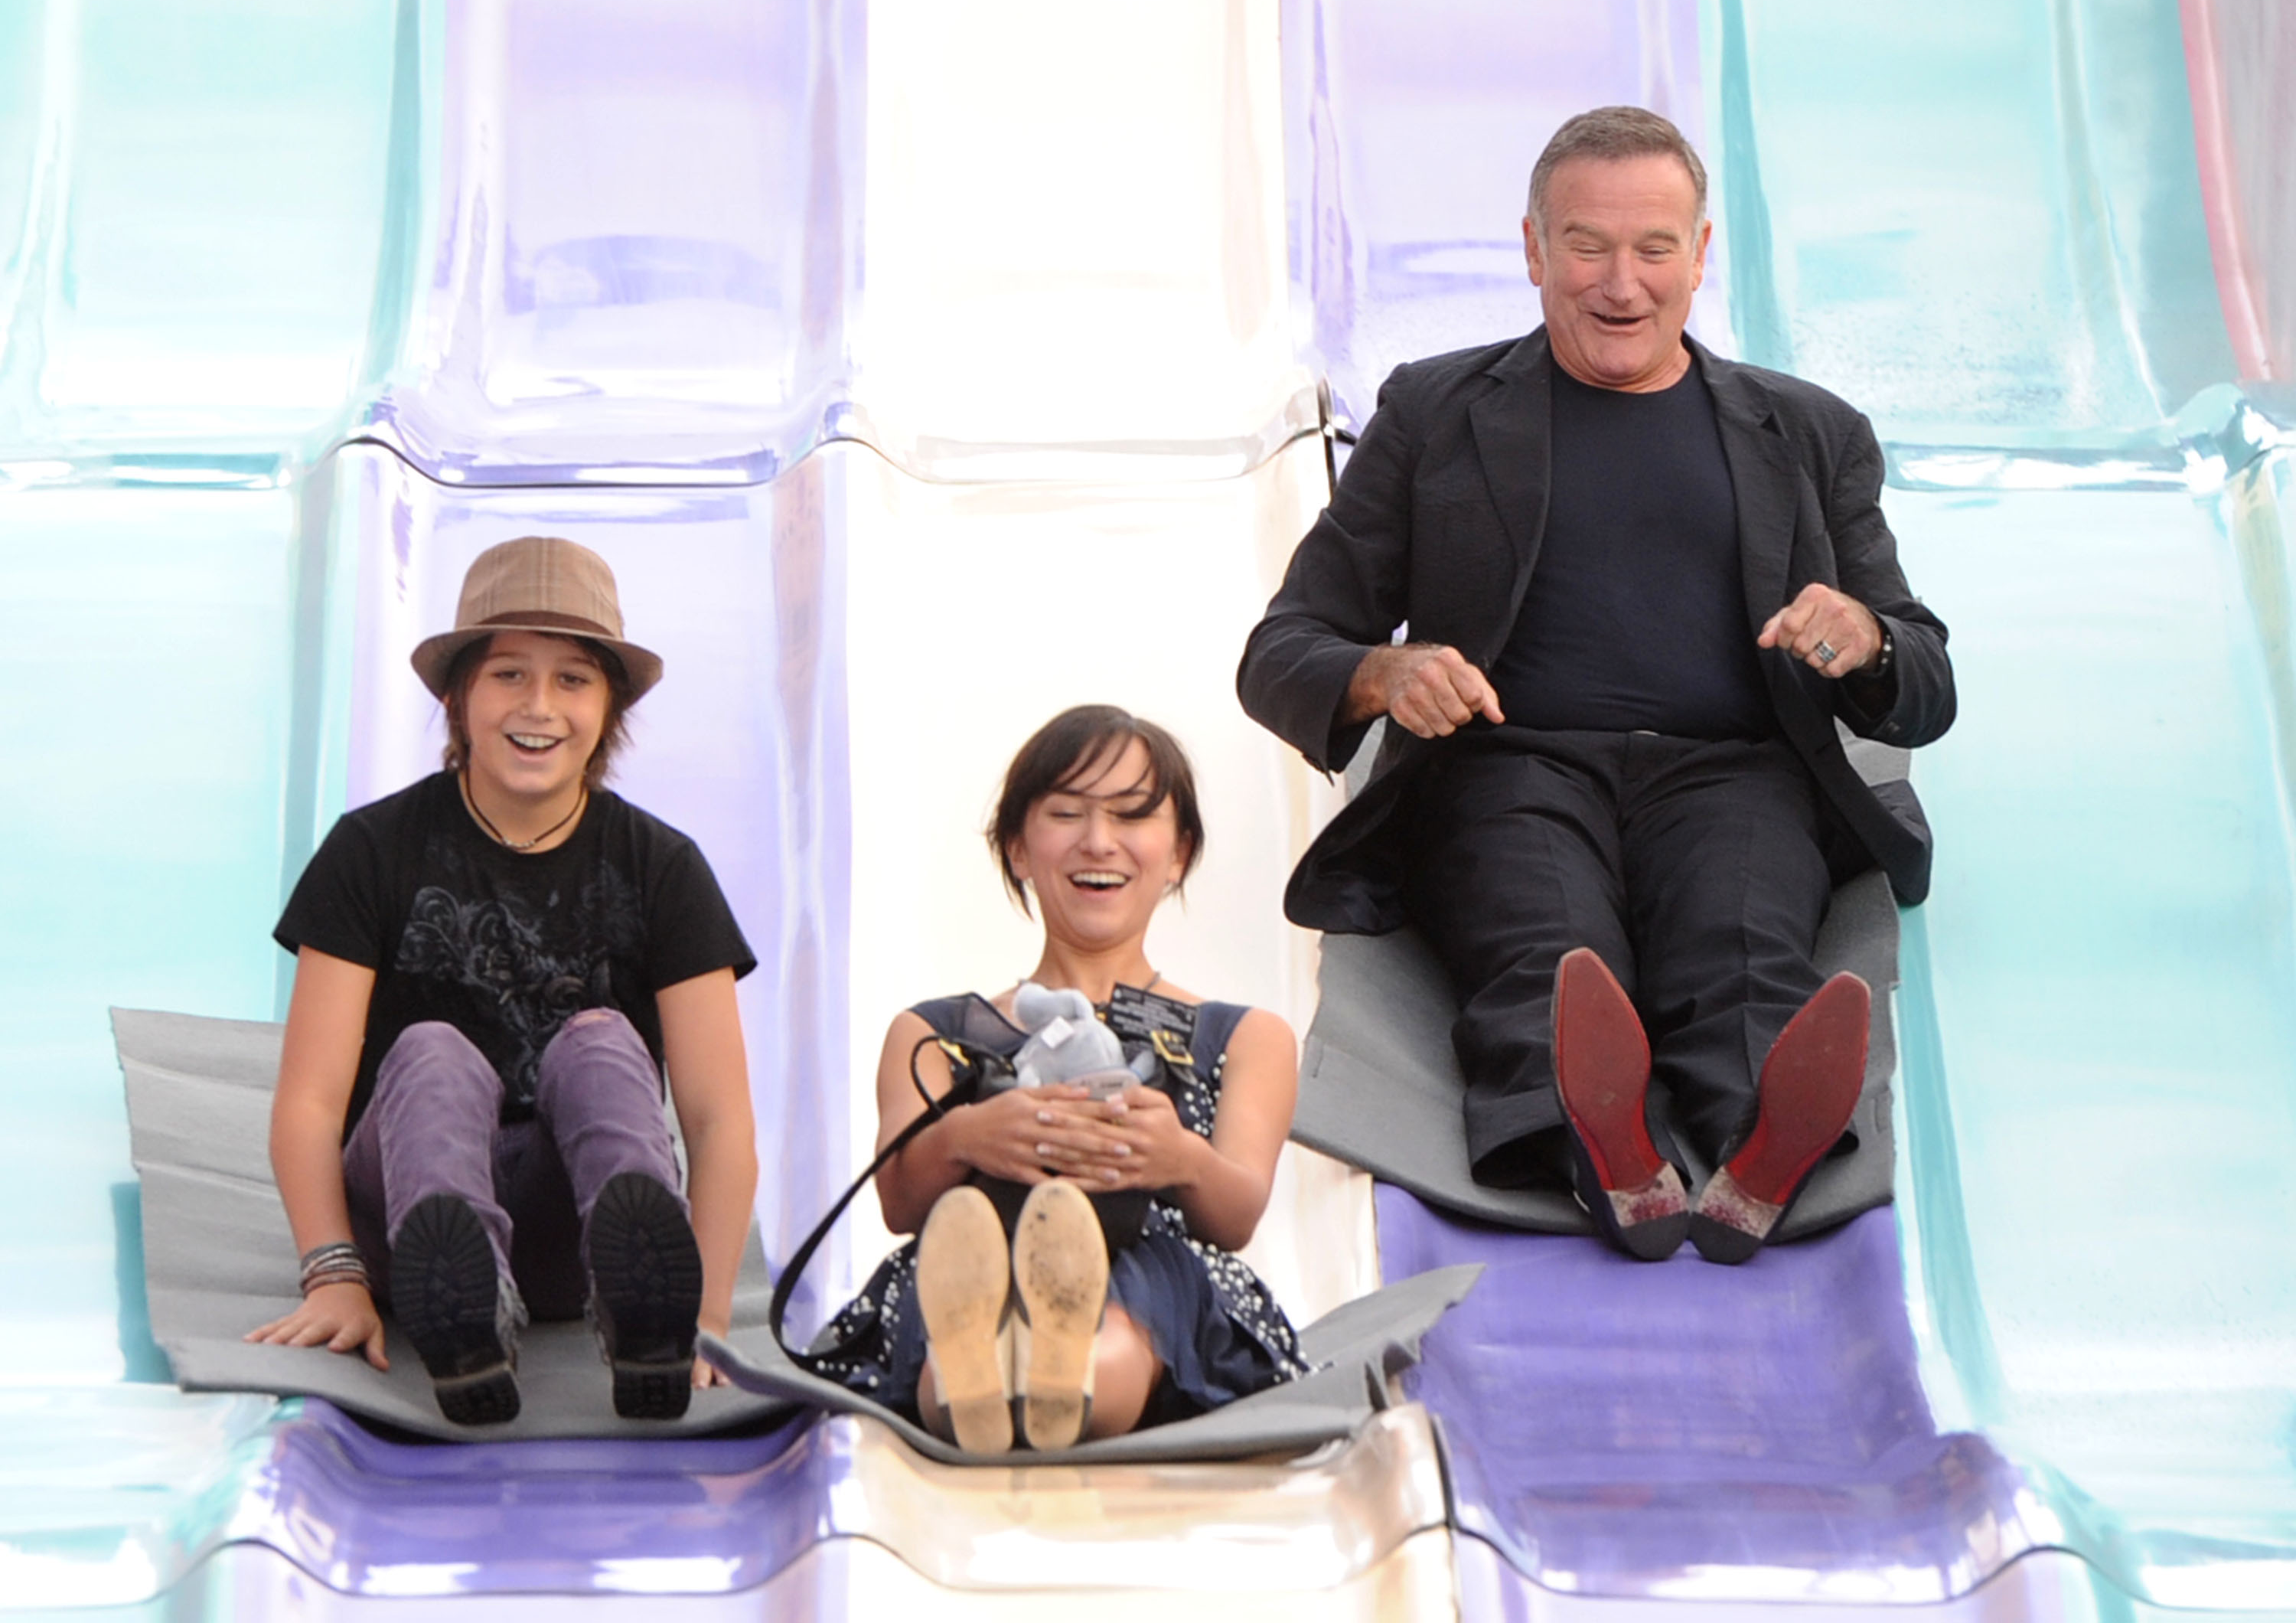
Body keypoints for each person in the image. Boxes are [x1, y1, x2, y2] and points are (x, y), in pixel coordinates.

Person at [1238, 106, 1956, 1265]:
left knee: (1740, 951)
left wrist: (1865, 637)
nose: (1621, 283)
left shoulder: (1811, 434)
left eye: (1654, 248)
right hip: (1512, 764)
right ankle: (1603, 1150)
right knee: (1551, 953)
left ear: (1701, 253)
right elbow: (1285, 647)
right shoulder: (1436, 412)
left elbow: (1926, 676)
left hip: (1737, 770)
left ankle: (1755, 1152)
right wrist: (1384, 671)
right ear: (1532, 250)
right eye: (1587, 246)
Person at [248, 536, 759, 1424]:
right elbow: (309, 1102)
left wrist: (708, 1313)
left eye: (573, 680)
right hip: (410, 1218)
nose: (540, 707)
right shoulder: (372, 850)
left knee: (602, 1039)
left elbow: (719, 1117)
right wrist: (334, 1274)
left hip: (571, 1236)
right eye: (509, 675)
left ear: (609, 708)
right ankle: (464, 1307)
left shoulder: (662, 867)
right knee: (434, 1051)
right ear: (458, 698)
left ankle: (647, 1315)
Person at [808, 706, 1307, 1453]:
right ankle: (997, 1368)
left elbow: (1234, 1215)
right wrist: (969, 1137)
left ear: (1179, 852)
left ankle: (1036, 1374)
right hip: (968, 1261)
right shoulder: (932, 1032)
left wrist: (1177, 1158)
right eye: (1067, 813)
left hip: (1146, 1267)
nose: (1098, 841)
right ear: (1017, 848)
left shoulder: (1246, 1036)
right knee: (964, 1327)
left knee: (1104, 1346)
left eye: (1133, 815)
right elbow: (901, 1201)